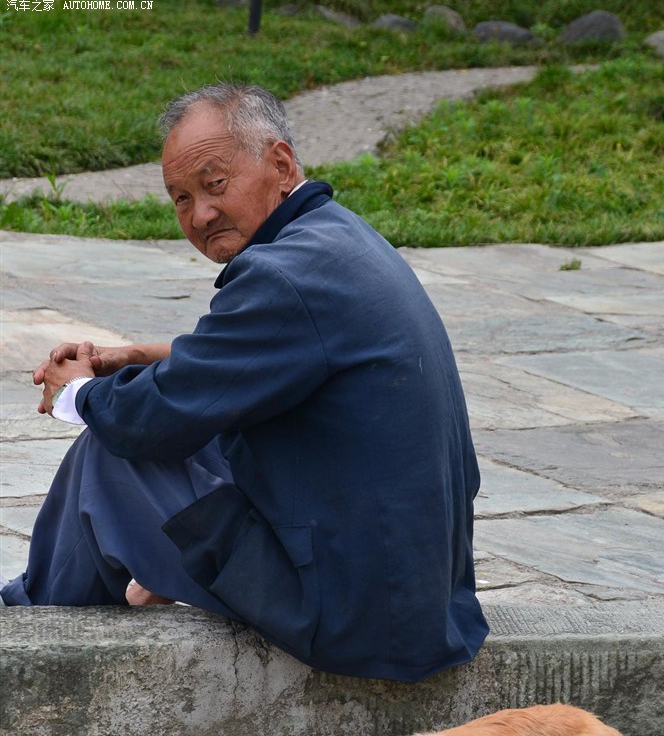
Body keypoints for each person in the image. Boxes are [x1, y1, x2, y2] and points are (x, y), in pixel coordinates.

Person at [1, 83, 488, 682]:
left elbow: (153, 418)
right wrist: (131, 357)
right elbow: (238, 365)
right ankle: (83, 593)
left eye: (214, 184)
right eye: (180, 198)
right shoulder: (334, 239)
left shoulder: (283, 276)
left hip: (355, 616)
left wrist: (78, 390)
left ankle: (27, 642)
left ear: (280, 164)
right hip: (418, 597)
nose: (199, 214)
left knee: (111, 455)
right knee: (209, 430)